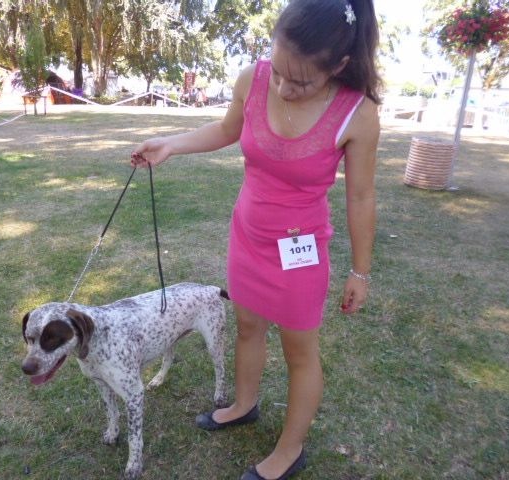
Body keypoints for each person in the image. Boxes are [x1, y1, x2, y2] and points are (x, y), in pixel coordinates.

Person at [131, 1, 380, 478]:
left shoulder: (358, 113)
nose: (283, 88)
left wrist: (360, 272)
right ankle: (244, 405)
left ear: (339, 66)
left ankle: (290, 449)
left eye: (300, 82)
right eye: (279, 71)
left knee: (299, 353)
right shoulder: (253, 78)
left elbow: (362, 196)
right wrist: (170, 145)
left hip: (299, 253)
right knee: (247, 326)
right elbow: (227, 129)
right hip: (247, 235)